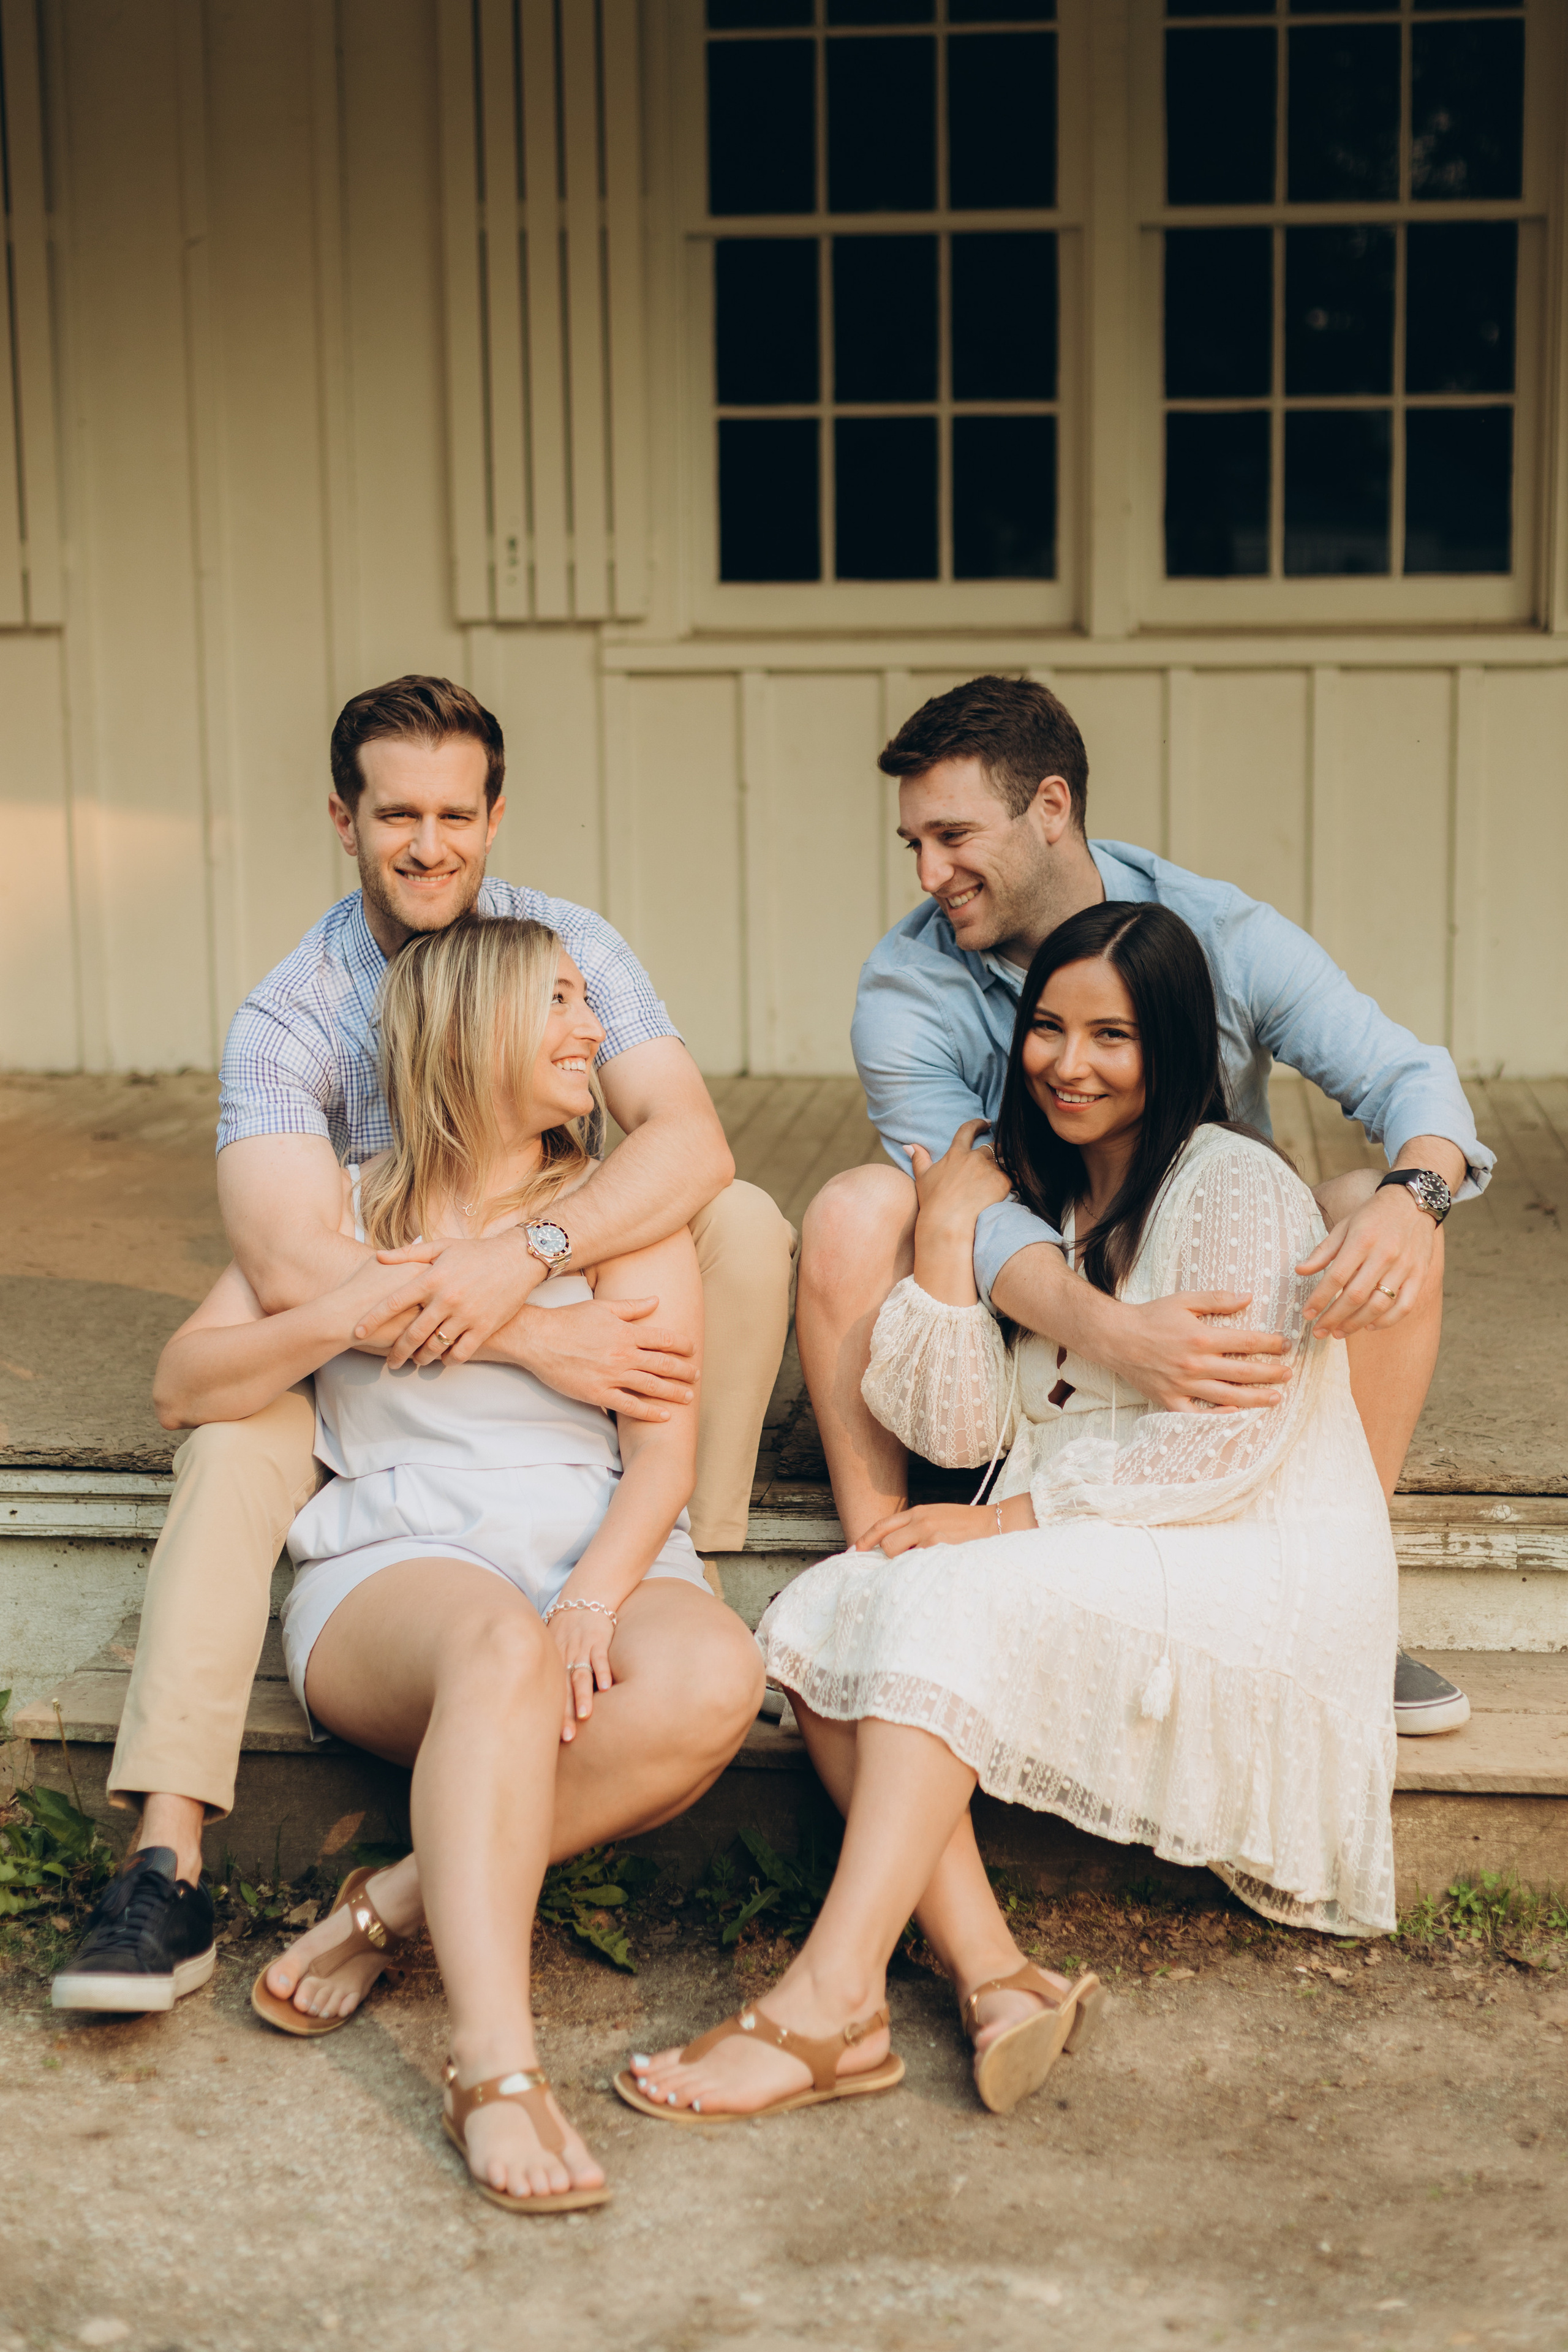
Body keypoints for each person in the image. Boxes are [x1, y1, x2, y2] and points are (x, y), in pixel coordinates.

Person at [51, 675, 790, 2015]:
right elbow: (293, 1265)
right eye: (399, 813)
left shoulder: (561, 949)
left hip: (507, 1267)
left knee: (731, 1218)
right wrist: (530, 1341)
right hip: (368, 1301)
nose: (430, 843)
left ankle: (675, 1522)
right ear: (345, 818)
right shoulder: (294, 1014)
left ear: (495, 815)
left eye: (458, 813)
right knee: (229, 1439)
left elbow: (687, 1139)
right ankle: (164, 1855)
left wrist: (529, 1260)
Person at [620, 902, 1399, 2128]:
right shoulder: (1042, 1194)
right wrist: (941, 1238)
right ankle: (994, 1974)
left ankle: (829, 1999)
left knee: (934, 1583)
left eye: (1112, 1037)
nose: (1067, 1062)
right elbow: (957, 1435)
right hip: (1102, 1536)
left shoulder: (1234, 1187)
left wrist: (1002, 1524)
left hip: (1251, 1551)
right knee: (828, 1609)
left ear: (1177, 1047)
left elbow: (1226, 1449)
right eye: (1046, 1026)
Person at [173, 916, 750, 2207]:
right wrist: (365, 1301)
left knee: (715, 1675)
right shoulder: (346, 1205)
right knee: (495, 1644)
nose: (591, 1032)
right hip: (399, 1557)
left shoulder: (609, 1217)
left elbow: (662, 1455)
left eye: (584, 1004)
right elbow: (183, 1384)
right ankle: (494, 2069)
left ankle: (386, 1905)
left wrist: (595, 1596)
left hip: (589, 1543)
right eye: (555, 1002)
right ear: (469, 1023)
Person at [796, 675, 1489, 1740]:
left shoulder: (1218, 931)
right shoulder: (906, 988)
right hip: (1021, 1319)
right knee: (856, 1207)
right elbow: (969, 1212)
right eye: (913, 846)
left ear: (1053, 808)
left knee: (1375, 1211)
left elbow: (1403, 1075)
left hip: (1206, 1284)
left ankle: (1341, 1592)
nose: (930, 875)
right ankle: (871, 1576)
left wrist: (1417, 1194)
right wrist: (1116, 1330)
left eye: (953, 837)